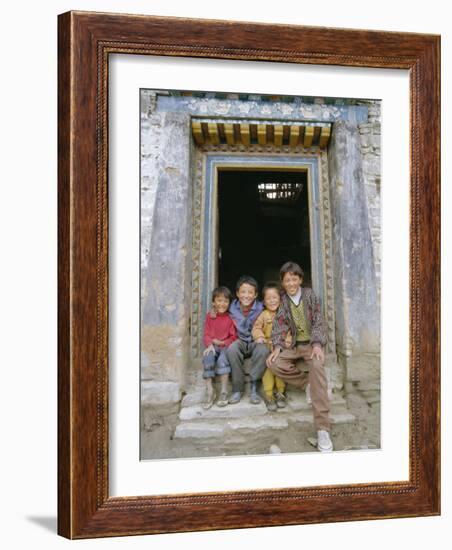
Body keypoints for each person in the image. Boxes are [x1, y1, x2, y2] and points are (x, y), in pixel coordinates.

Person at [266, 261, 333, 452]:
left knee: (318, 367)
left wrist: (318, 344)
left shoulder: (310, 295)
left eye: (294, 279)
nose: (291, 283)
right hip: (294, 345)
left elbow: (319, 321)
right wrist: (277, 347)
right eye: (287, 280)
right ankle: (306, 384)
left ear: (300, 280)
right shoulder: (284, 301)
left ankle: (322, 429)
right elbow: (279, 325)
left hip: (311, 345)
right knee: (274, 363)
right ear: (283, 282)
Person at [226, 276, 268, 405]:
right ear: (237, 293)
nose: (246, 295)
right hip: (240, 341)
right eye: (243, 292)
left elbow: (276, 305)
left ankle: (254, 387)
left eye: (250, 292)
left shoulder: (262, 307)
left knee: (263, 350)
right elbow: (219, 308)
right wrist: (213, 312)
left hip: (256, 340)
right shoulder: (231, 307)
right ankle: (237, 389)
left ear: (255, 295)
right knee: (232, 349)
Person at [252, 282, 288, 412]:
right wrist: (259, 336)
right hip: (267, 346)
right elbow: (256, 328)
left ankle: (280, 392)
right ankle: (268, 394)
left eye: (275, 298)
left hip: (281, 347)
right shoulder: (263, 315)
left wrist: (287, 342)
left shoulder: (285, 314)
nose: (272, 301)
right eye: (268, 298)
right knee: (268, 366)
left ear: (280, 299)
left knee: (279, 365)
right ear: (264, 301)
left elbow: (290, 331)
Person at [202, 286, 237, 409]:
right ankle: (210, 391)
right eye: (219, 300)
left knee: (223, 360)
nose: (222, 304)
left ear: (229, 303)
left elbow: (234, 337)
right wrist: (210, 344)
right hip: (213, 345)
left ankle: (223, 391)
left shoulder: (230, 318)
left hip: (225, 346)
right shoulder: (209, 316)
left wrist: (223, 343)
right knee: (208, 356)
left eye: (225, 301)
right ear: (213, 302)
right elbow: (206, 333)